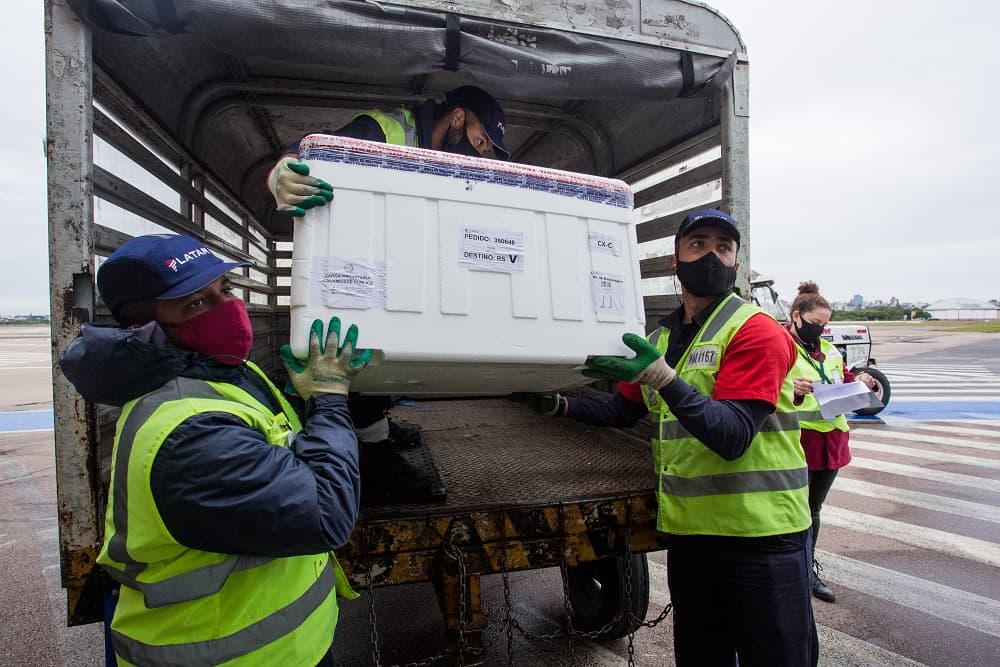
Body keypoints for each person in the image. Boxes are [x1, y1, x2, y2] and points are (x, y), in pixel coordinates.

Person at [522, 209, 818, 666]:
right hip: (693, 538)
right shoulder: (660, 340)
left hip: (762, 539)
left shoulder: (755, 330)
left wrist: (664, 379)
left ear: (736, 264)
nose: (712, 256)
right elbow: (624, 408)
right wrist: (560, 404)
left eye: (723, 247)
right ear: (674, 262)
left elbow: (734, 435)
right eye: (698, 244)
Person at [60, 233, 370, 667]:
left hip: (286, 647)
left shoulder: (227, 373)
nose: (227, 308)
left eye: (224, 289)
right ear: (144, 328)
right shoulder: (188, 433)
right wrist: (330, 400)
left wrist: (301, 399)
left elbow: (276, 443)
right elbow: (325, 513)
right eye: (195, 303)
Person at [266, 85, 510, 503]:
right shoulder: (389, 130)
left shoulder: (451, 168)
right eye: (481, 140)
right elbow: (310, 154)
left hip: (400, 266)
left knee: (402, 347)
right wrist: (282, 173)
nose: (481, 152)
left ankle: (373, 426)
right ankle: (371, 455)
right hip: (355, 264)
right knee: (361, 346)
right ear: (457, 118)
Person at [786, 281, 876, 604]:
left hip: (831, 444)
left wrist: (860, 380)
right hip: (799, 442)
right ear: (796, 317)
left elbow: (845, 380)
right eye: (815, 323)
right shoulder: (781, 346)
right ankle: (792, 571)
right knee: (794, 512)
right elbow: (774, 389)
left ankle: (807, 570)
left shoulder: (829, 351)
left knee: (813, 509)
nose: (820, 331)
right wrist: (794, 392)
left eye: (824, 325)